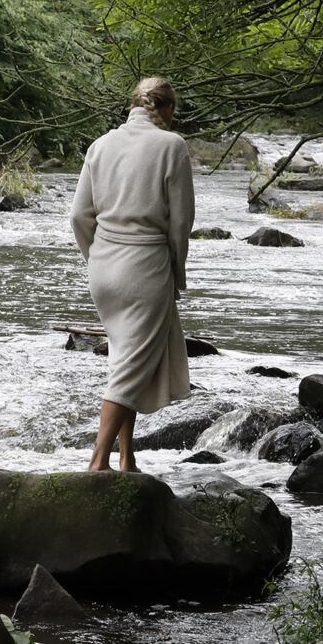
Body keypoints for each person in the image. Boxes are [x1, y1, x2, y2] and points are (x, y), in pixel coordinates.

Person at [71, 77, 195, 472]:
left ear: (132, 106)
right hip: (145, 268)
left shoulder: (101, 145)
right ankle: (98, 462)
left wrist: (95, 257)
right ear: (169, 110)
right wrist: (177, 269)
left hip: (103, 267)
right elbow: (180, 223)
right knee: (130, 366)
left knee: (125, 359)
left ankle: (127, 458)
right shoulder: (171, 146)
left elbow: (78, 216)